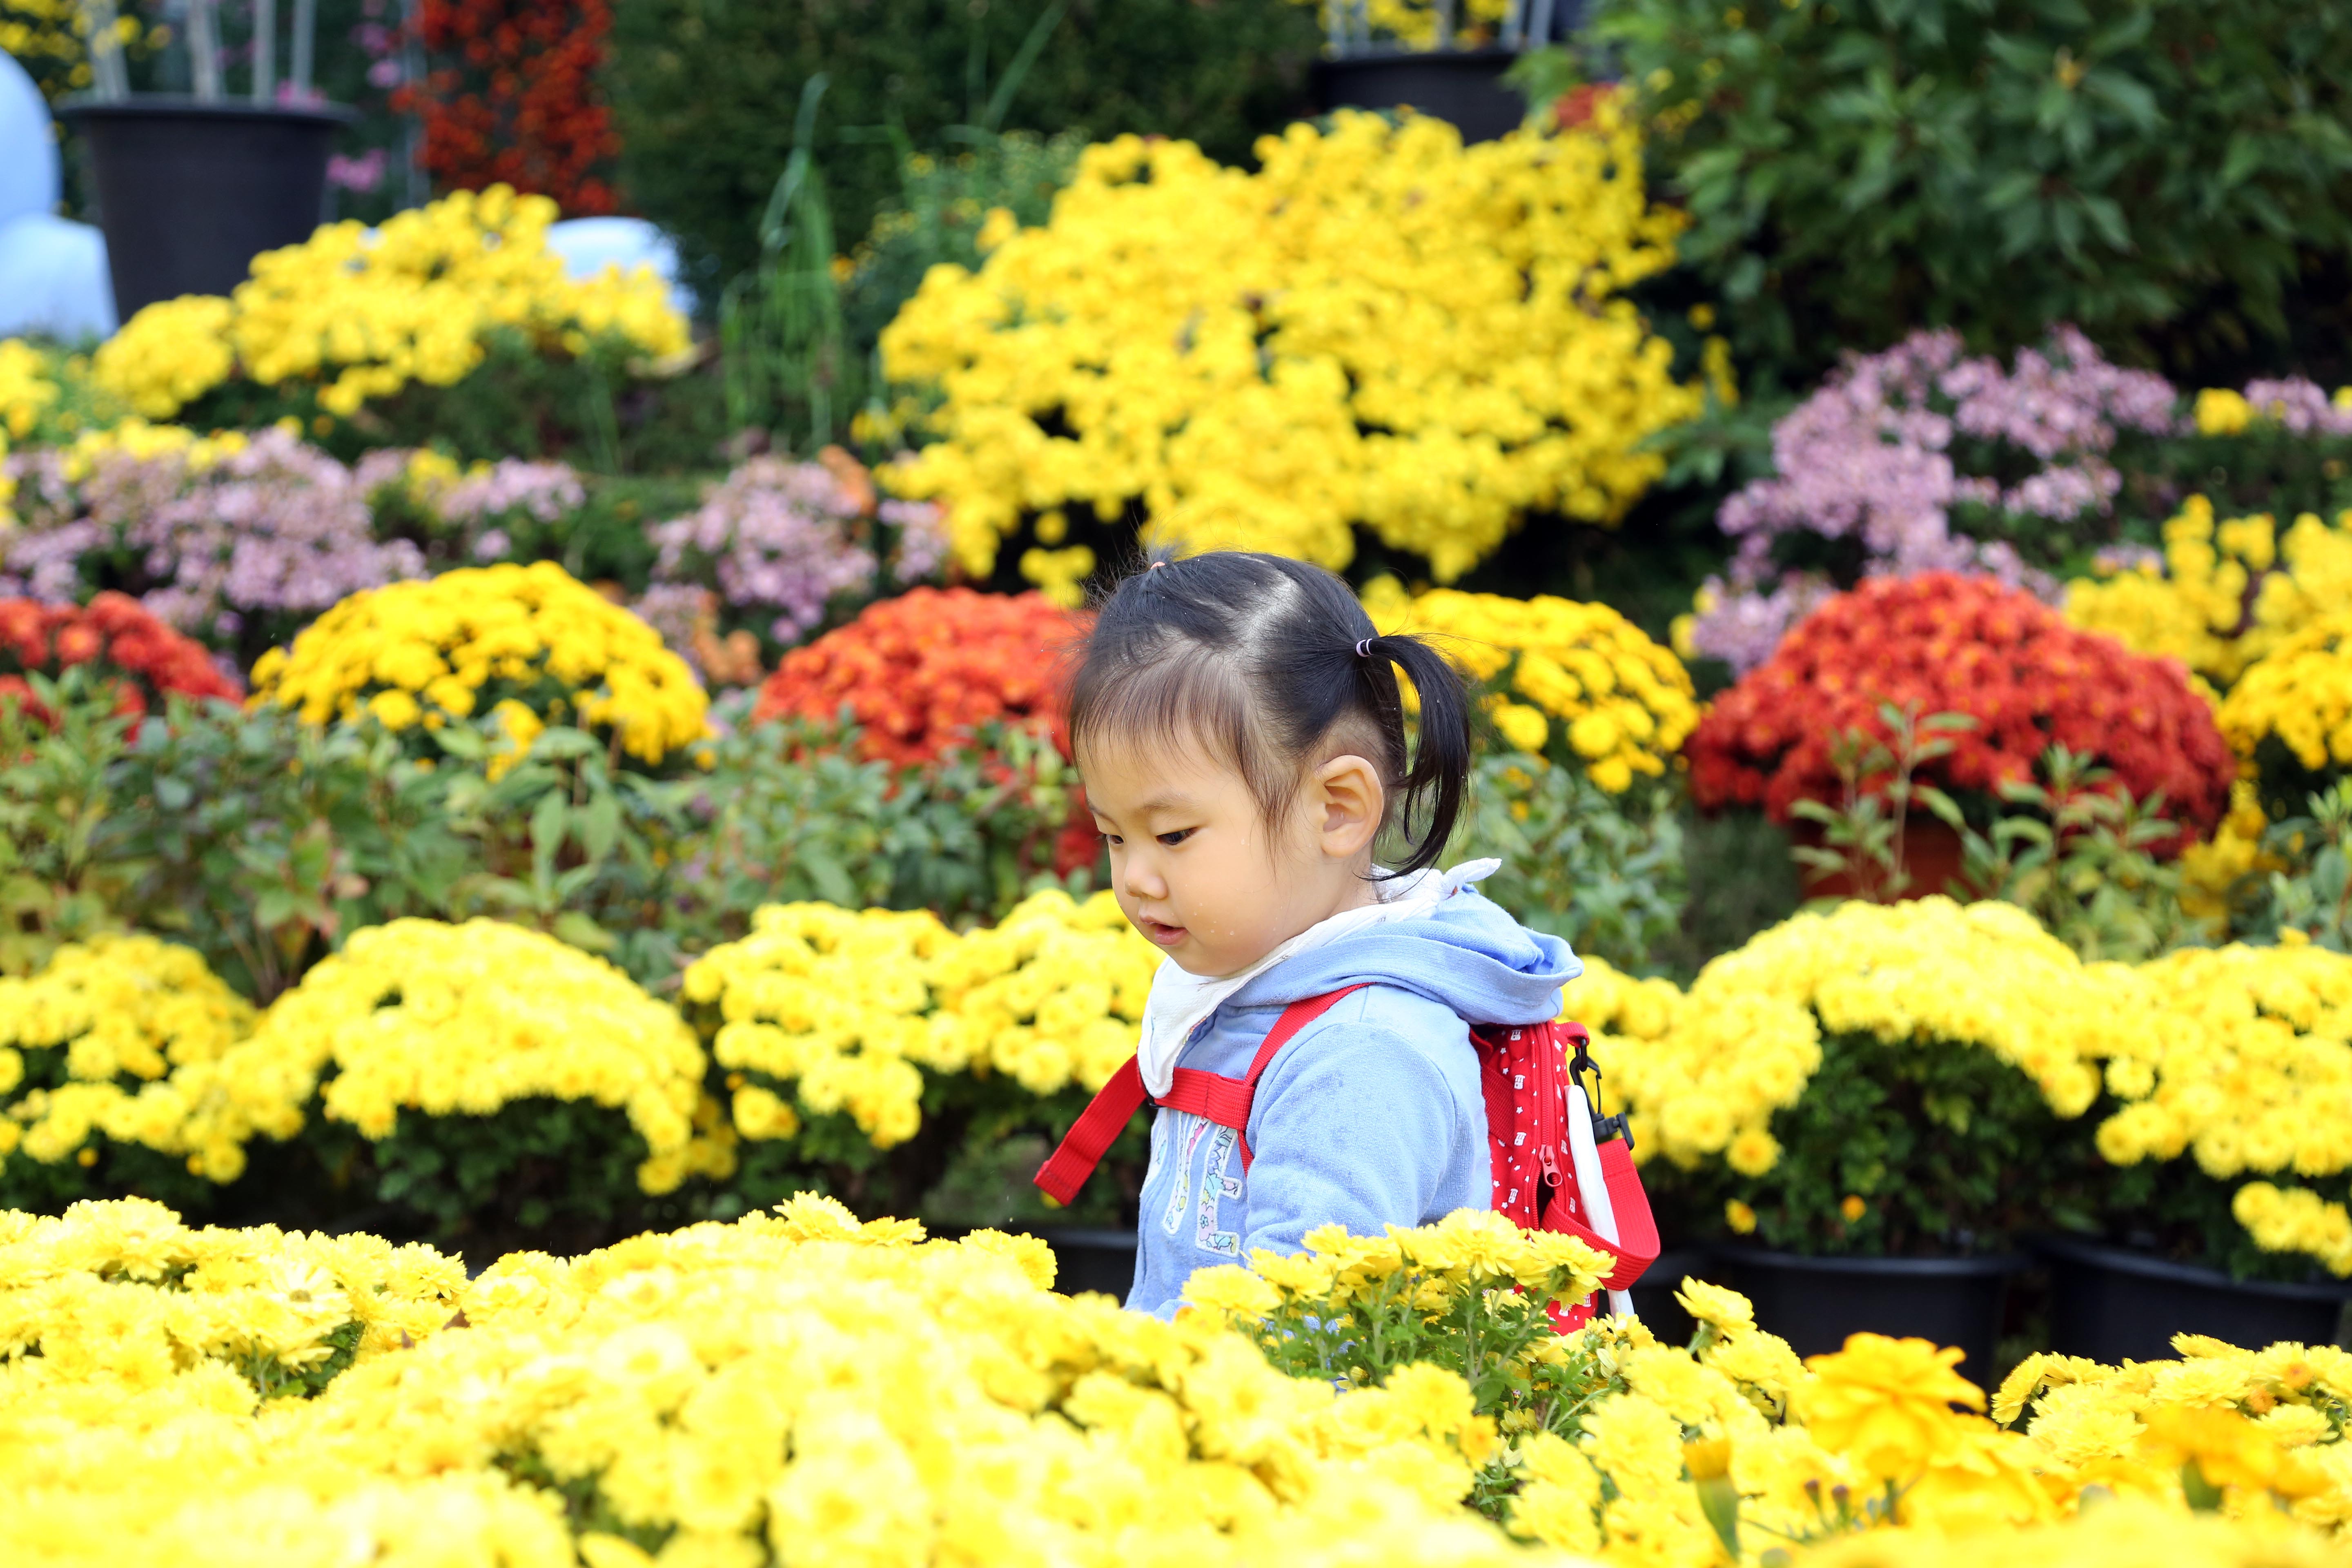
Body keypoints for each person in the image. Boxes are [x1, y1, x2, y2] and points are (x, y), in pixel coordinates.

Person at [1063, 550, 1581, 1318]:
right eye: (1114, 836)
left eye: (1172, 835)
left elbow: (1307, 1342)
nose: (1135, 877)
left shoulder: (1360, 1055)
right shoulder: (1262, 986)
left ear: (1337, 808)